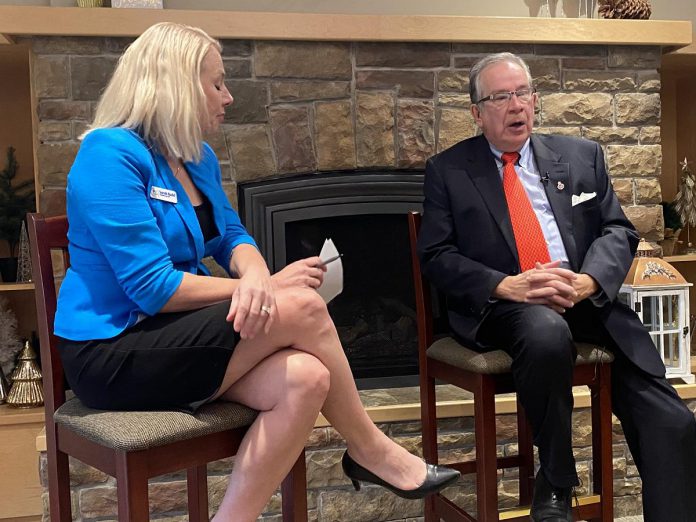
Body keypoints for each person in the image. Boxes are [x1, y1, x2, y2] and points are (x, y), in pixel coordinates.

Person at [54, 22, 459, 522]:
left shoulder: (194, 156)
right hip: (114, 351)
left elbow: (232, 238)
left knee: (307, 378)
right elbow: (151, 287)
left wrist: (254, 278)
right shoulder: (108, 155)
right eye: (217, 83)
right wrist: (264, 288)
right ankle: (371, 450)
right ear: (177, 84)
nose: (227, 96)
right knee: (304, 304)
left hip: (176, 336)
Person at [417, 52, 696, 522]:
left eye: (523, 93)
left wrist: (589, 280)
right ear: (476, 112)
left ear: (535, 99)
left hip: (584, 299)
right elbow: (436, 255)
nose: (516, 106)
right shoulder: (449, 170)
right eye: (500, 97)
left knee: (673, 420)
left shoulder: (581, 156)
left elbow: (618, 230)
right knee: (545, 330)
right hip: (507, 306)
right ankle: (557, 481)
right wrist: (507, 285)